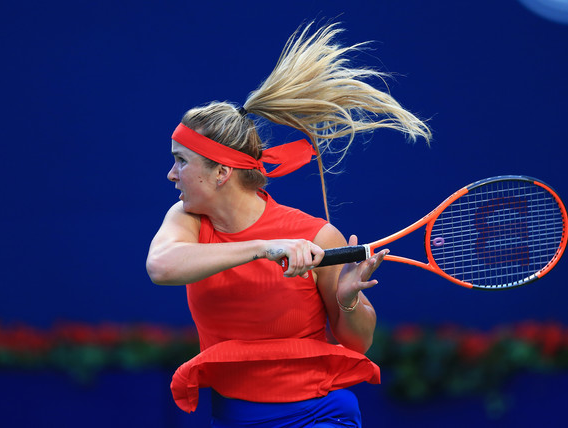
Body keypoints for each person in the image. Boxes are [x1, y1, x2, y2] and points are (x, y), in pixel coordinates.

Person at [146, 21, 431, 427]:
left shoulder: (316, 236)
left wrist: (349, 300)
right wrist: (265, 248)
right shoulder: (186, 220)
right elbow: (161, 267)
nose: (171, 175)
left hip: (319, 413)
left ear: (221, 172)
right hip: (234, 417)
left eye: (181, 161)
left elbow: (359, 341)